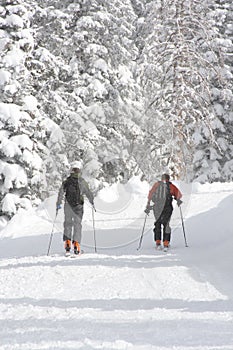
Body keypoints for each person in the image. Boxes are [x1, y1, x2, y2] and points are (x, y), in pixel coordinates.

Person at [56, 161, 94, 255]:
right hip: (78, 206)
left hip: (68, 206)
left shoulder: (67, 181)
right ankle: (76, 245)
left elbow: (61, 193)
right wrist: (92, 201)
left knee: (67, 224)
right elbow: (88, 192)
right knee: (77, 225)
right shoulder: (82, 181)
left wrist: (58, 204)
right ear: (79, 172)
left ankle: (67, 243)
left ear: (71, 171)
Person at [145, 173, 182, 251]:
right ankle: (166, 243)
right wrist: (177, 199)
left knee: (158, 223)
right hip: (167, 208)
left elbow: (150, 195)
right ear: (168, 179)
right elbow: (179, 195)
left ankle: (158, 242)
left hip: (157, 207)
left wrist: (148, 204)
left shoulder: (156, 185)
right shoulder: (171, 186)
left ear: (161, 179)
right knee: (166, 224)